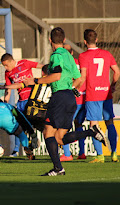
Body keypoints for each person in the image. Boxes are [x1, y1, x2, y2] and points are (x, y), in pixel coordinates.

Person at [24, 27, 106, 176]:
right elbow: (79, 78)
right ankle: (91, 131)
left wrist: (35, 81)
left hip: (60, 97)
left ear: (50, 40)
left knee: (48, 132)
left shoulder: (56, 55)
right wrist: (72, 91)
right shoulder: (69, 56)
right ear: (64, 40)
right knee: (60, 139)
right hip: (69, 98)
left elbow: (55, 76)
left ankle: (58, 169)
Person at [78, 29, 120, 163]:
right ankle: (114, 153)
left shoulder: (83, 56)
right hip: (106, 94)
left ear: (85, 42)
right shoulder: (106, 54)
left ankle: (100, 156)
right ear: (96, 40)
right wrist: (112, 85)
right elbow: (117, 72)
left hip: (92, 94)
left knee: (94, 125)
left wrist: (75, 87)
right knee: (110, 123)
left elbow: (83, 76)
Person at [0, 53, 43, 157]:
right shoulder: (7, 73)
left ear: (11, 61)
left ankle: (35, 143)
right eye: (4, 66)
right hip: (21, 101)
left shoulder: (25, 63)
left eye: (6, 65)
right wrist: (5, 102)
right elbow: (8, 89)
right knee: (18, 126)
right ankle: (16, 150)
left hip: (32, 100)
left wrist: (42, 79)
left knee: (35, 123)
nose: (6, 68)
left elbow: (42, 67)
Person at [60, 44, 87, 161]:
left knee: (63, 125)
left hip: (71, 99)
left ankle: (67, 153)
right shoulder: (80, 63)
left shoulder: (63, 64)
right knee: (79, 125)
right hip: (84, 98)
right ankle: (82, 152)